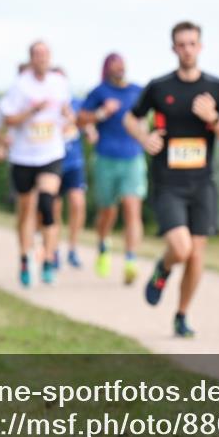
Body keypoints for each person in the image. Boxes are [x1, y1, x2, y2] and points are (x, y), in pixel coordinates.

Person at [124, 22, 219, 337]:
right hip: (168, 182)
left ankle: (181, 315)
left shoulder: (214, 88)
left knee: (197, 253)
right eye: (181, 44)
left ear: (200, 47)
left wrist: (212, 118)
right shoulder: (159, 87)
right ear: (174, 48)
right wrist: (144, 137)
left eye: (192, 43)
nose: (187, 49)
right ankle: (163, 267)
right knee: (181, 247)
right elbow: (130, 118)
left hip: (202, 183)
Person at [0, 41, 74, 287]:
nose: (42, 59)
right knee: (25, 210)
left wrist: (67, 117)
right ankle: (24, 258)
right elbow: (8, 119)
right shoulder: (20, 85)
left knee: (47, 204)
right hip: (23, 156)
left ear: (50, 58)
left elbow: (66, 110)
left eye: (45, 54)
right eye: (37, 55)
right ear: (31, 58)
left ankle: (49, 259)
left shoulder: (59, 83)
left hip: (50, 153)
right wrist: (32, 112)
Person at [80, 53, 146, 284]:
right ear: (107, 69)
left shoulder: (138, 91)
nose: (119, 69)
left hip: (133, 157)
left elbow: (147, 117)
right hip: (106, 157)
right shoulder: (99, 92)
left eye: (122, 65)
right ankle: (103, 245)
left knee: (131, 207)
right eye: (114, 66)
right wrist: (101, 113)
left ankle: (130, 260)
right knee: (108, 210)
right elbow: (81, 119)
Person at [54, 93, 87, 269]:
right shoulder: (47, 104)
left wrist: (72, 117)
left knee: (77, 203)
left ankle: (73, 248)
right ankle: (54, 248)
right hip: (54, 162)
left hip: (75, 162)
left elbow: (85, 124)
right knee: (54, 208)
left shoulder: (77, 103)